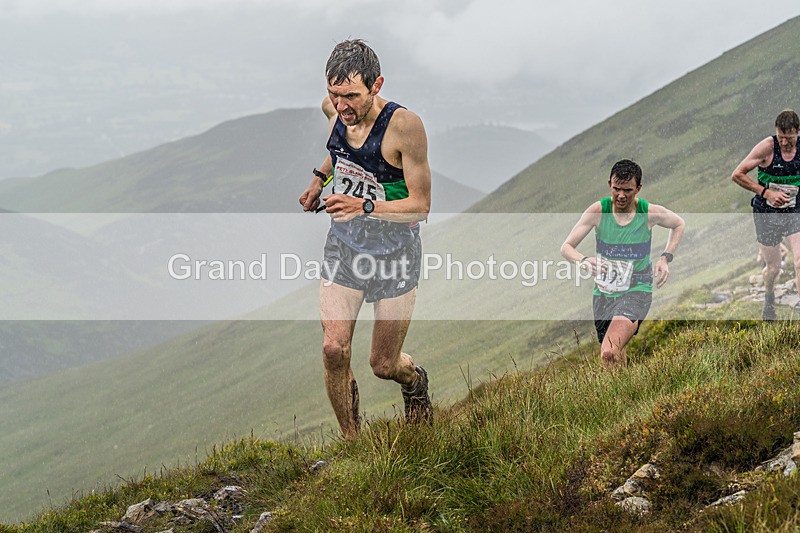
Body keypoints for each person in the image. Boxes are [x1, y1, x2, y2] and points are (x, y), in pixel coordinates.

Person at [298, 39, 432, 439]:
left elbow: (421, 205)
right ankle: (353, 443)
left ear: (377, 86)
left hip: (396, 252)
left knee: (383, 364)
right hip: (346, 245)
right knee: (333, 349)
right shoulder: (335, 111)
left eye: (352, 96)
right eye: (334, 94)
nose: (342, 106)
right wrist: (319, 180)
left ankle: (415, 382)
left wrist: (363, 205)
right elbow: (340, 151)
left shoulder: (404, 126)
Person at [561, 159, 685, 368]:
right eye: (616, 189)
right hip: (604, 293)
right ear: (609, 184)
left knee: (608, 353)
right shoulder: (598, 212)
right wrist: (584, 261)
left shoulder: (648, 212)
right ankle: (626, 394)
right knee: (617, 353)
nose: (620, 195)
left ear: (638, 188)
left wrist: (666, 258)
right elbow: (566, 247)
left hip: (637, 289)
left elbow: (678, 224)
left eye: (627, 190)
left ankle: (610, 399)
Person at [732, 109, 800, 320]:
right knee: (773, 268)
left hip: (794, 212)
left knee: (799, 261)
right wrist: (766, 192)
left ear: (798, 132)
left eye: (789, 139)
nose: (785, 143)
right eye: (781, 137)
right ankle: (769, 297)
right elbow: (737, 174)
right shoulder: (768, 148)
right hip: (766, 213)